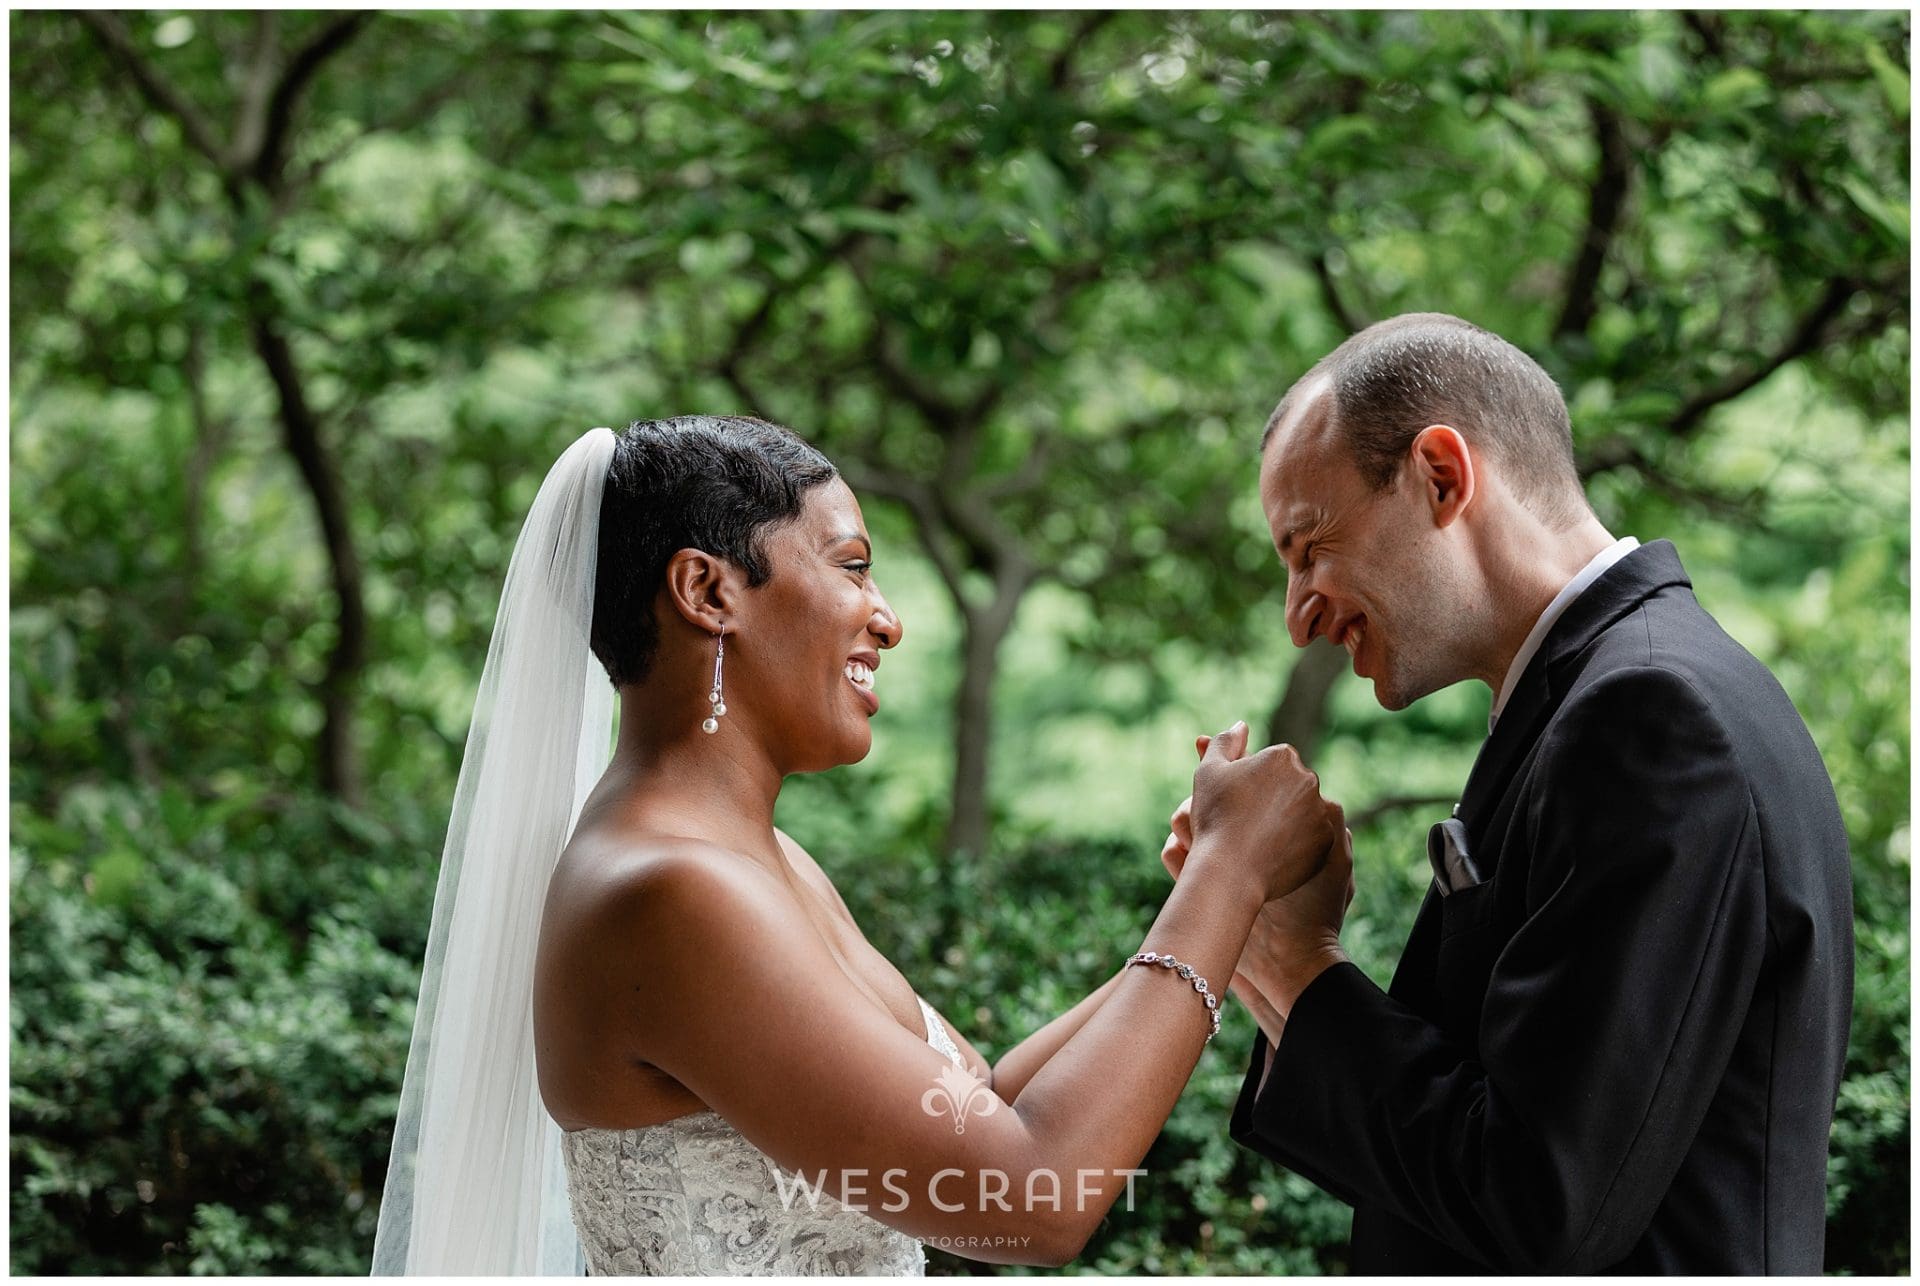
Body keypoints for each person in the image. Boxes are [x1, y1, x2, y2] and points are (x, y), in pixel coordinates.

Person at [371, 415, 1344, 1275]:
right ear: (707, 589)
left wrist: (1230, 907)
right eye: (849, 563)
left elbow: (981, 1107)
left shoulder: (763, 862)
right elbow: (1031, 1199)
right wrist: (1224, 871)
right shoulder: (666, 890)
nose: (888, 615)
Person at [1164, 313, 1854, 1273]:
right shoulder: (1610, 693)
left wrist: (1292, 960)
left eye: (1310, 546)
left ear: (1442, 476)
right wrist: (1265, 950)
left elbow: (1539, 1206)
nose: (1299, 616)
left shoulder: (1650, 717)